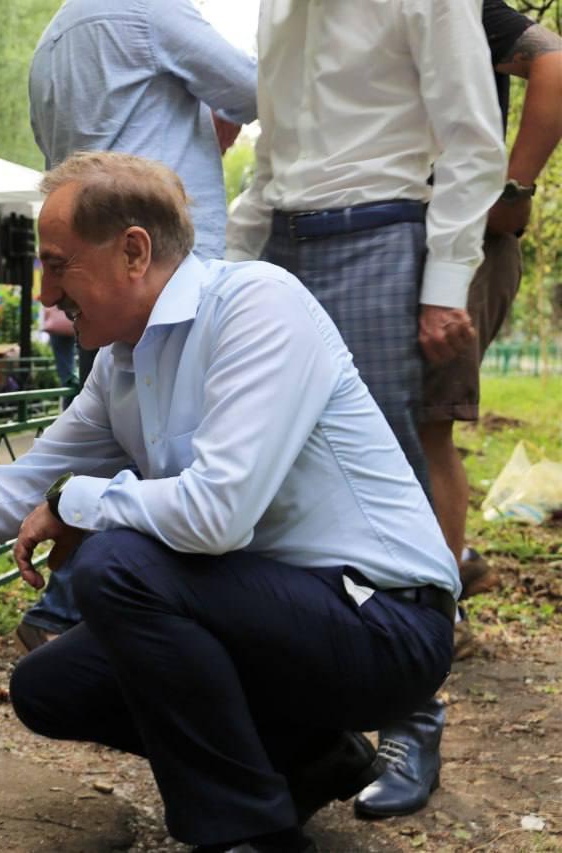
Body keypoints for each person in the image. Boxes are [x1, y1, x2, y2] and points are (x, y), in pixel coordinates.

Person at [0, 152, 458, 852]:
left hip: (384, 620)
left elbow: (217, 514)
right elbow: (22, 484)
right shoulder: (121, 365)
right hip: (276, 616)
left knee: (117, 564)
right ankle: (311, 756)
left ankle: (247, 834)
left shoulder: (258, 304)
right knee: (51, 684)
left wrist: (78, 500)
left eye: (58, 263)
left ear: (133, 251)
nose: (45, 294)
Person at [225, 0, 508, 825]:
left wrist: (444, 281)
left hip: (383, 232)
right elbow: (269, 156)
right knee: (276, 482)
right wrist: (230, 271)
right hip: (284, 240)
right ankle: (311, 728)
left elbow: (470, 137)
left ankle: (414, 715)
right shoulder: (277, 9)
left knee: (384, 481)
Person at [356, 5, 562, 820]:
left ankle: (431, 620)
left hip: (466, 241)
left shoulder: (470, 9)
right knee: (402, 423)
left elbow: (553, 63)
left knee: (427, 425)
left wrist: (513, 186)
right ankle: (447, 572)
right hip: (419, 234)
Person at [20, 0, 257, 648]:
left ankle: (68, 605)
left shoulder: (49, 47)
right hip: (166, 270)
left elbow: (61, 168)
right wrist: (215, 124)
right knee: (171, 453)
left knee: (129, 443)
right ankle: (98, 608)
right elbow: (253, 87)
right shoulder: (149, 12)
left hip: (106, 283)